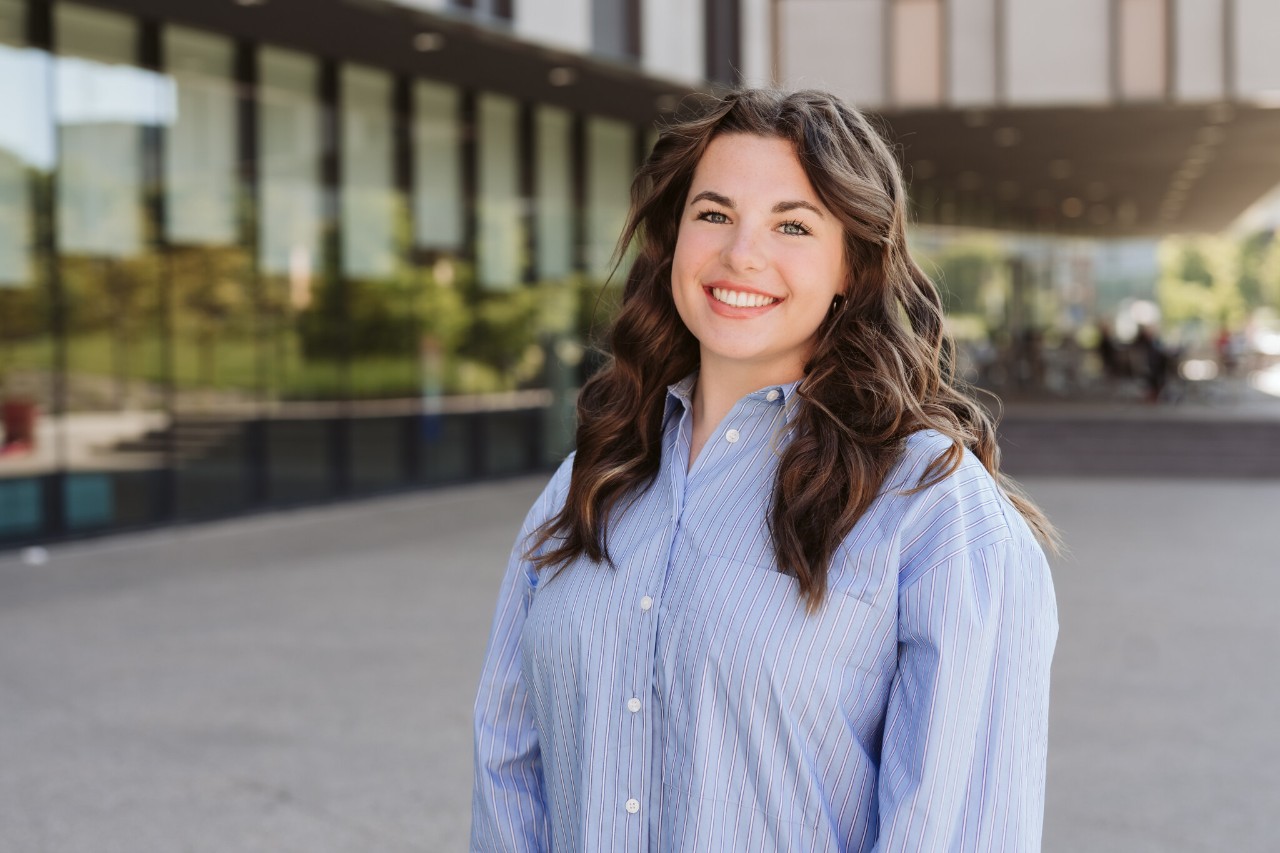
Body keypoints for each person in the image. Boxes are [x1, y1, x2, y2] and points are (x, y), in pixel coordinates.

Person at [472, 89, 1059, 852]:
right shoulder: (595, 475)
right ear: (674, 239)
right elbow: (508, 763)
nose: (741, 254)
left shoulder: (932, 509)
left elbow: (957, 832)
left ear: (852, 264)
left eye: (792, 225)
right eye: (714, 214)